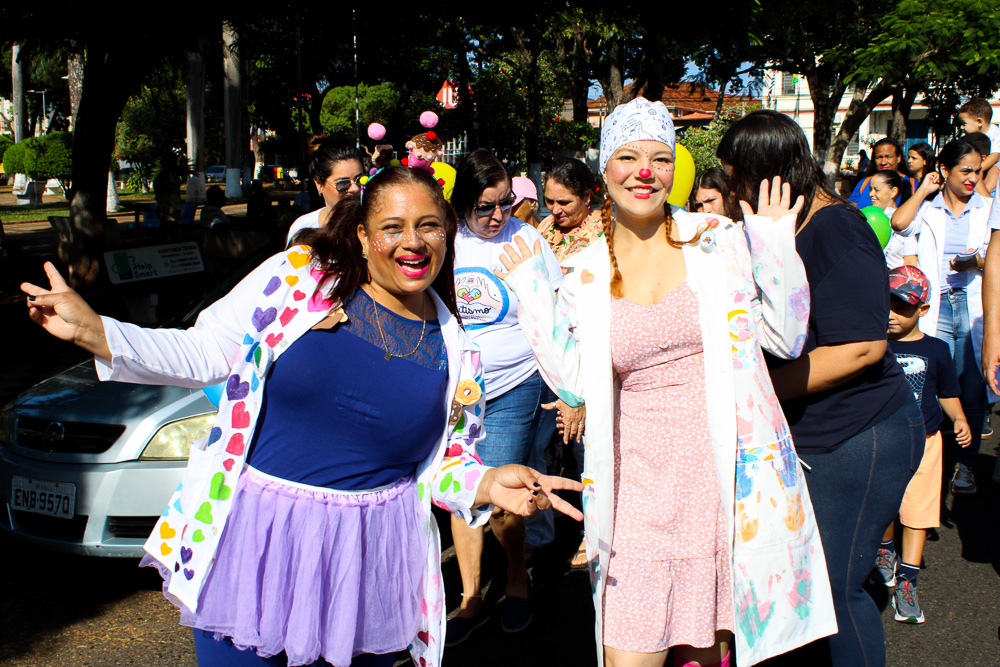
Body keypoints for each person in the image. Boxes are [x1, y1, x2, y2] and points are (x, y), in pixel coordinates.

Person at [21, 166, 582, 667]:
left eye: (429, 226)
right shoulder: (302, 278)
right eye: (392, 227)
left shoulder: (457, 350)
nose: (412, 242)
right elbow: (207, 351)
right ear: (361, 235)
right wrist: (95, 331)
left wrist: (487, 482)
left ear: (448, 234)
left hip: (367, 562)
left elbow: (441, 466)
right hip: (257, 542)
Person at [500, 98, 836, 667]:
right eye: (627, 157)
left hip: (719, 483)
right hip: (633, 491)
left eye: (659, 158)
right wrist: (533, 293)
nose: (644, 172)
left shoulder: (718, 239)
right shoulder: (583, 270)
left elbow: (785, 337)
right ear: (605, 168)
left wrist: (774, 242)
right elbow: (575, 383)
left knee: (701, 658)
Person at [718, 109, 922, 667]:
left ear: (768, 175)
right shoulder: (786, 228)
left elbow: (861, 348)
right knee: (804, 589)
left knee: (834, 588)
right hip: (816, 434)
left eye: (737, 178)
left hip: (860, 434)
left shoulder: (836, 229)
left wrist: (756, 393)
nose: (731, 193)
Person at [446, 149, 567, 644]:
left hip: (515, 384)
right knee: (462, 494)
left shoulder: (528, 239)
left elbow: (556, 312)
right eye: (484, 206)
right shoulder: (445, 240)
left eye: (505, 202)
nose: (498, 215)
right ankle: (471, 596)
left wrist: (567, 385)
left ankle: (517, 576)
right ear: (461, 205)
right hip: (456, 392)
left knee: (502, 498)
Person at [892, 139, 993, 495]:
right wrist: (923, 189)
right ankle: (922, 460)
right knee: (929, 384)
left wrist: (976, 262)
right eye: (965, 171)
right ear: (945, 171)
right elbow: (898, 223)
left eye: (977, 171)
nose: (973, 178)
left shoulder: (987, 208)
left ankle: (965, 465)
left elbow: (995, 257)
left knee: (971, 388)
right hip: (937, 306)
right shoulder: (928, 208)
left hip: (973, 303)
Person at [873, 265, 971, 625]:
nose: (891, 314)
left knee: (918, 513)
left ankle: (908, 582)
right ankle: (885, 552)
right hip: (882, 439)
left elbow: (947, 392)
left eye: (902, 307)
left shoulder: (937, 349)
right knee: (884, 505)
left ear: (923, 309)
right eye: (886, 305)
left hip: (927, 441)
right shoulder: (872, 345)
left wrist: (959, 418)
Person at [285, 136, 365, 248]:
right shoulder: (303, 227)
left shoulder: (374, 223)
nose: (355, 188)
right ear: (318, 183)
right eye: (343, 183)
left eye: (359, 180)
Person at [537, 156, 604, 264]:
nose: (555, 210)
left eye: (563, 202)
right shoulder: (546, 226)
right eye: (549, 201)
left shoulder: (605, 229)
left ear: (586, 196)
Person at [847, 137, 917, 209]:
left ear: (899, 158)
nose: (883, 162)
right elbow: (852, 209)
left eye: (888, 157)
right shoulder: (864, 183)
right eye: (879, 157)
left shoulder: (914, 185)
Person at [867, 170, 912, 268]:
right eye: (870, 189)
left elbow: (910, 263)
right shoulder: (865, 218)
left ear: (893, 192)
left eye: (877, 190)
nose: (871, 194)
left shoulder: (906, 222)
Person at [958, 97, 1000, 172]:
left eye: (964, 123)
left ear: (979, 122)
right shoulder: (968, 138)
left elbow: (995, 155)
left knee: (994, 170)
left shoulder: (995, 133)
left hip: (993, 168)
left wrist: (976, 170)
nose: (961, 127)